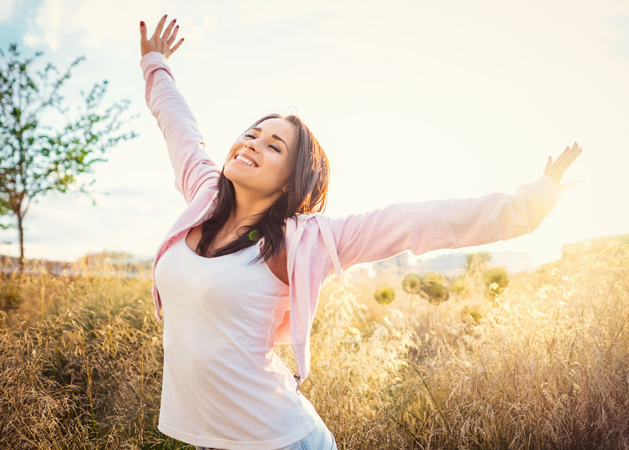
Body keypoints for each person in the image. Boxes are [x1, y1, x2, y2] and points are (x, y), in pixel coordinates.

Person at [138, 14, 582, 450]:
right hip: (211, 440)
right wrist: (155, 63)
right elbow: (180, 128)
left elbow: (415, 222)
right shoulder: (203, 197)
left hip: (283, 441)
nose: (252, 142)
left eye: (274, 145)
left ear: (291, 181)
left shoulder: (304, 242)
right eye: (252, 134)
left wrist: (527, 206)